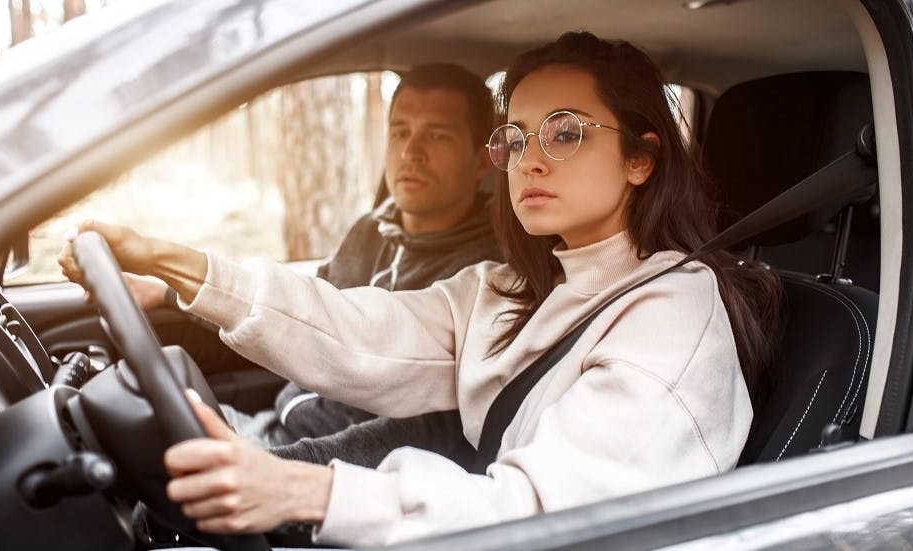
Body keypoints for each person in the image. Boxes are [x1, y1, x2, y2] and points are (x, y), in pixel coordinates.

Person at [60, 32, 781, 546]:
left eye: (564, 133)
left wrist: (301, 491)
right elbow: (355, 331)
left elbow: (546, 516)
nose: (528, 160)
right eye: (515, 137)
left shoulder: (673, 314)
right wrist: (180, 265)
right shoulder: (513, 285)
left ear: (639, 159)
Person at [124, 63, 503, 459]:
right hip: (272, 429)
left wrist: (276, 469)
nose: (411, 152)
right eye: (400, 132)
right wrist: (168, 293)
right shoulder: (371, 231)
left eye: (437, 136)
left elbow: (422, 434)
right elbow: (287, 320)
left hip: (325, 472)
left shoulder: (482, 276)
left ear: (481, 161)